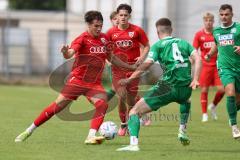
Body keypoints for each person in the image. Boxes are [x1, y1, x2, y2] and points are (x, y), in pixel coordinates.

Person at [14, 10, 135, 145]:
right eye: (96, 26)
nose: (99, 28)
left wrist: (130, 67)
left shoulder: (104, 39)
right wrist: (65, 52)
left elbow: (111, 57)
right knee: (56, 108)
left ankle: (91, 136)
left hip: (94, 83)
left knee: (102, 104)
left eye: (101, 25)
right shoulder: (82, 38)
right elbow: (70, 53)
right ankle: (29, 130)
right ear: (88, 25)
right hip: (77, 81)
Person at [116, 18, 201, 151]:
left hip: (167, 88)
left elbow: (147, 64)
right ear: (171, 30)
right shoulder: (184, 43)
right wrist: (195, 79)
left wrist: (129, 79)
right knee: (186, 100)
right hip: (185, 88)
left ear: (157, 32)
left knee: (134, 111)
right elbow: (197, 58)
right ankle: (182, 130)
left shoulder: (158, 45)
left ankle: (133, 145)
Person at [106, 4, 150, 136]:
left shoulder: (137, 30)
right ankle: (123, 123)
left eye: (126, 15)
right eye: (121, 15)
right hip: (118, 70)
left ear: (129, 16)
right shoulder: (110, 33)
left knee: (131, 100)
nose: (123, 17)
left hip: (133, 69)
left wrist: (142, 57)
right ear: (117, 16)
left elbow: (147, 45)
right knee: (121, 96)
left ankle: (131, 122)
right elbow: (106, 50)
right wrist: (108, 60)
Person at [205, 4, 240, 139]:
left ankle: (232, 112)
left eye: (227, 14)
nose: (224, 17)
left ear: (232, 15)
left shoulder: (238, 28)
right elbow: (216, 45)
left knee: (237, 101)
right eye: (222, 15)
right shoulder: (217, 31)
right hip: (225, 68)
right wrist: (209, 54)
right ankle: (234, 127)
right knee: (229, 91)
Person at [193, 12, 224, 122]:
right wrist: (192, 61)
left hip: (217, 65)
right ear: (204, 22)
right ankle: (204, 114)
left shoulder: (217, 33)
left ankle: (213, 106)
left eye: (210, 20)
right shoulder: (199, 35)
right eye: (206, 20)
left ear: (213, 22)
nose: (208, 22)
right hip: (205, 66)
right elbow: (194, 50)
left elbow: (222, 46)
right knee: (204, 90)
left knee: (222, 89)